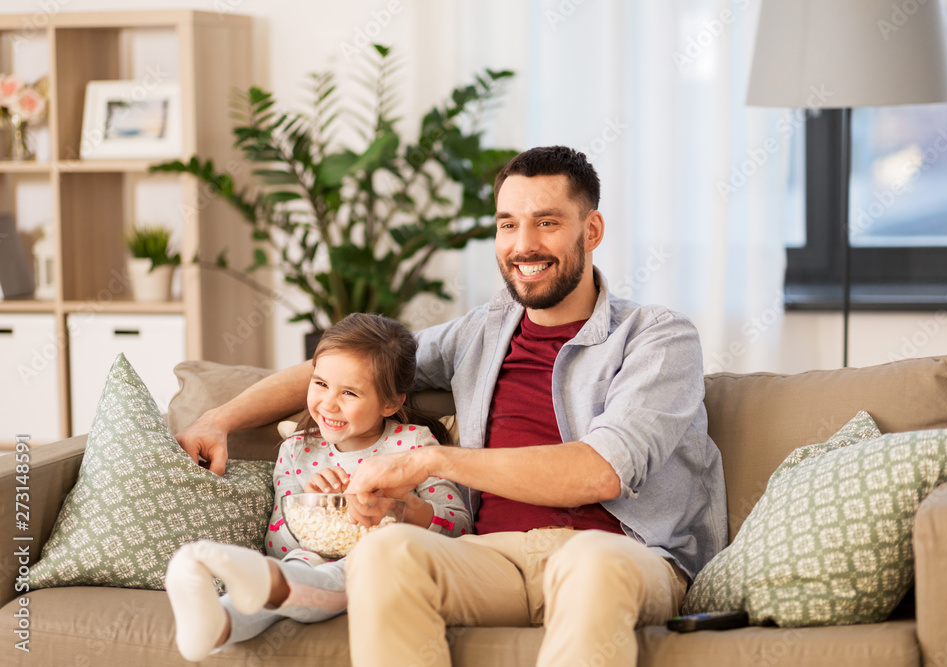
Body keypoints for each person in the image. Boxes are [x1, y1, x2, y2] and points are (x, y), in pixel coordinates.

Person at [176, 146, 728, 667]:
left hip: (621, 555)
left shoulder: (657, 338)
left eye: (547, 222)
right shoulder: (481, 333)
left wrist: (433, 462)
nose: (523, 244)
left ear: (592, 230)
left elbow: (601, 471)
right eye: (507, 223)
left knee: (592, 564)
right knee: (382, 554)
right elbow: (352, 366)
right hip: (492, 558)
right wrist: (218, 418)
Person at [165, 313, 472, 662]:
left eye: (350, 393)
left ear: (390, 403)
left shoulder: (416, 446)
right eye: (320, 384)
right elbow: (277, 544)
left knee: (344, 571)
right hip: (303, 561)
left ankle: (265, 586)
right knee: (297, 567)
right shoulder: (297, 450)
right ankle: (219, 623)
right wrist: (311, 506)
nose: (328, 403)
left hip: (383, 565)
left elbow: (461, 526)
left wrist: (404, 506)